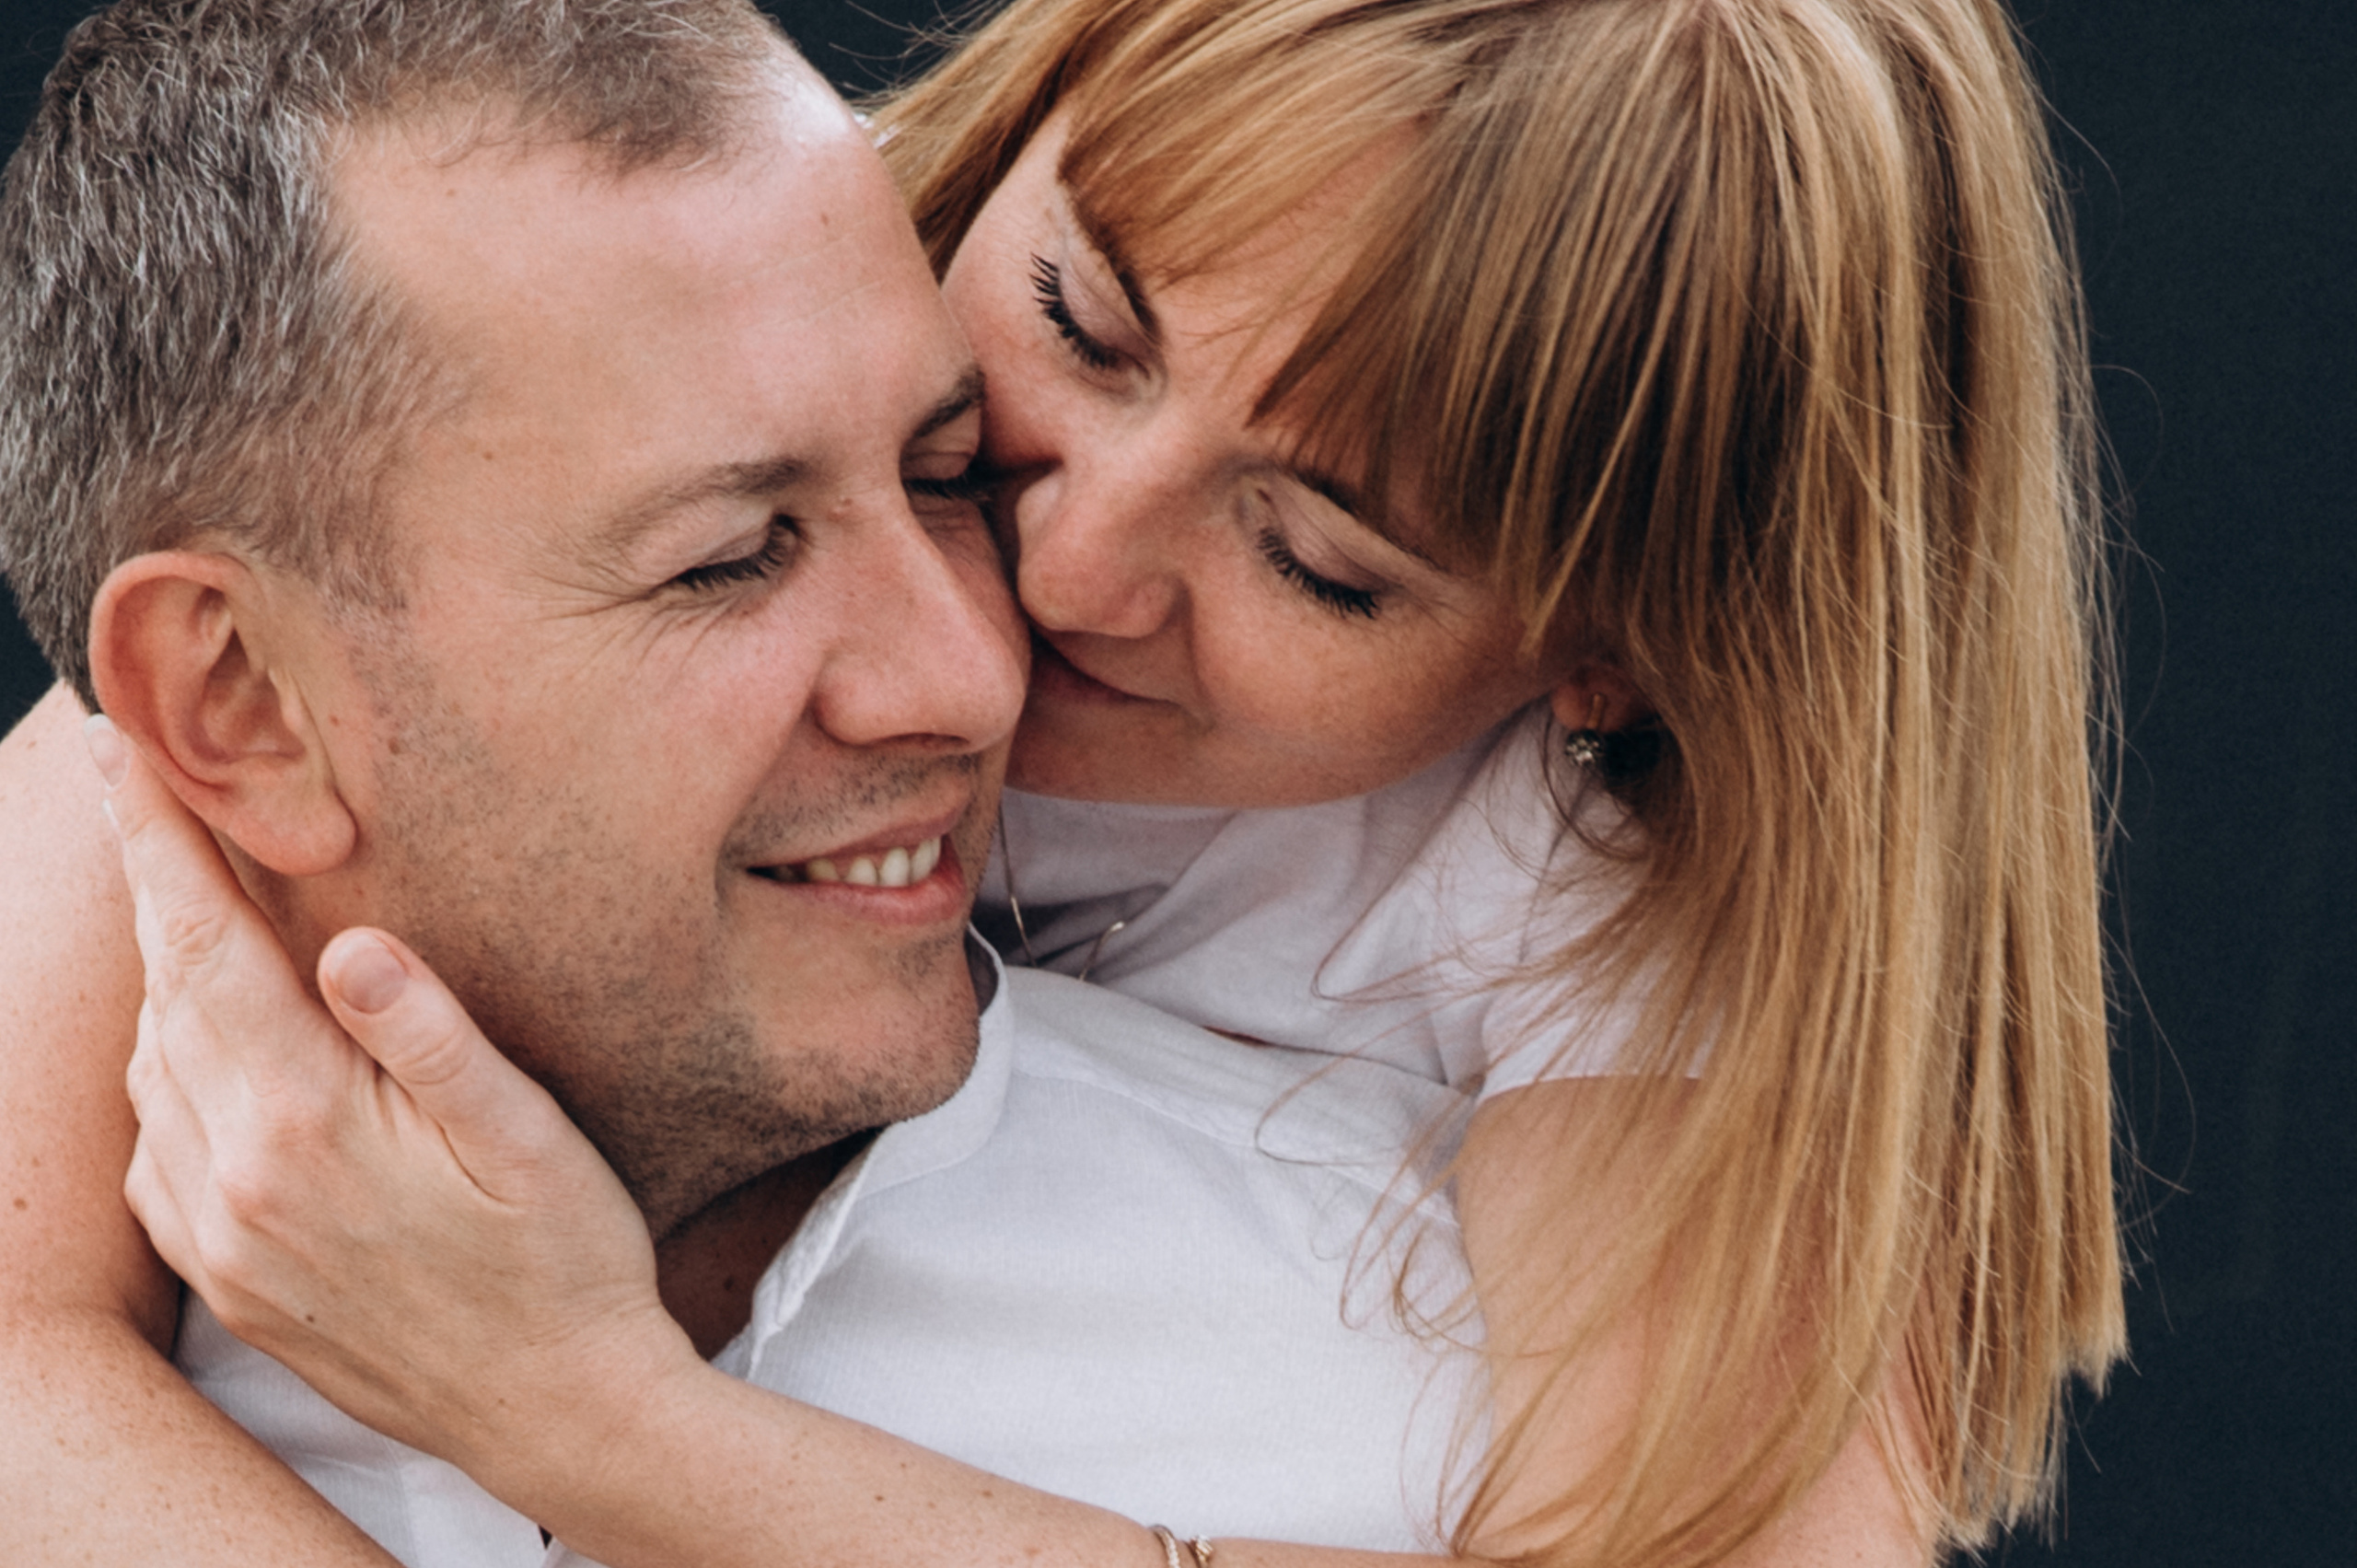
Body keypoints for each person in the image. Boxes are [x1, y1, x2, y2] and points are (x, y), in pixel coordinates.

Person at [0, 1, 2123, 1567]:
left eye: (1316, 560)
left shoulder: (1587, 913)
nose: (1051, 568)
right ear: (1020, 119)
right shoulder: (676, 283)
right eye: (1073, 335)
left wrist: (591, 1421)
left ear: (1604, 657)